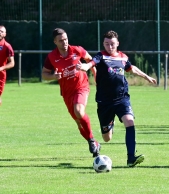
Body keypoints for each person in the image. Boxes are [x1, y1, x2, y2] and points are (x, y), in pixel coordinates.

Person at [77, 30, 157, 167]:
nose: (110, 46)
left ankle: (131, 158)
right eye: (107, 44)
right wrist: (85, 66)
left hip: (122, 99)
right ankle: (110, 125)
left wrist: (147, 77)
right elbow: (91, 63)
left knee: (130, 122)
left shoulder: (123, 57)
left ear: (117, 43)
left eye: (112, 44)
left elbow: (132, 69)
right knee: (107, 138)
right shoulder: (101, 56)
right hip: (105, 102)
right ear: (103, 44)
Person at [42, 28, 100, 158]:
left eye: (66, 39)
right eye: (61, 40)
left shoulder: (77, 50)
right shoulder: (51, 57)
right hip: (67, 92)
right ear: (55, 42)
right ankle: (94, 143)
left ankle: (91, 140)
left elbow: (91, 61)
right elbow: (44, 75)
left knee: (79, 111)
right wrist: (53, 76)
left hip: (81, 86)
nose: (65, 42)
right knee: (78, 121)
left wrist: (95, 76)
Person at [0, 25, 15, 105]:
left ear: (5, 34)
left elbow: (12, 63)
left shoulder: (7, 46)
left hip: (0, 75)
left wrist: (1, 68)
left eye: (1, 31)